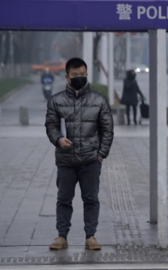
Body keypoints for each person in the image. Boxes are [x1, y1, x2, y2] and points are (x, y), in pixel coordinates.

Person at [45, 57, 114, 250]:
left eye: (83, 75)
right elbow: (51, 126)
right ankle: (61, 236)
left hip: (91, 161)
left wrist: (100, 155)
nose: (79, 78)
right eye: (75, 75)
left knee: (91, 200)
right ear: (67, 77)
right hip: (65, 161)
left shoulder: (99, 101)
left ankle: (91, 236)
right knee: (64, 200)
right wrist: (59, 140)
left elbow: (107, 130)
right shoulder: (56, 101)